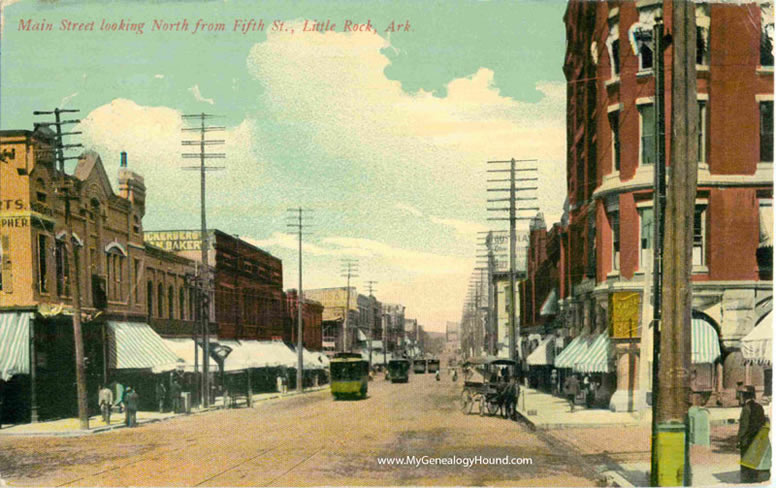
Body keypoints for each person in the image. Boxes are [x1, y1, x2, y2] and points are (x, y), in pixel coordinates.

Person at [738, 386, 770, 483]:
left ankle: (747, 480)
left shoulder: (746, 408)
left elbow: (744, 426)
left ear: (745, 396)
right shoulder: (759, 407)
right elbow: (764, 421)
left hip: (747, 438)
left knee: (746, 459)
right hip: (758, 437)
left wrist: (739, 438)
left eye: (741, 395)